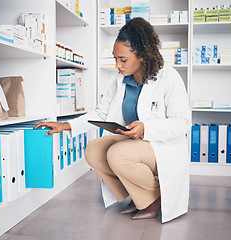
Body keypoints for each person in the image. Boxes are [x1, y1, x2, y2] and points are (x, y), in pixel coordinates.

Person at [34, 17, 191, 223]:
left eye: (123, 59)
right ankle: (141, 196)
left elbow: (183, 122)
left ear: (142, 55)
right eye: (115, 58)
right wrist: (66, 125)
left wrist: (146, 127)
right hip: (135, 143)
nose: (117, 65)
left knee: (117, 154)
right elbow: (100, 112)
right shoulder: (121, 80)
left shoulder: (168, 77)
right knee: (93, 150)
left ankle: (156, 197)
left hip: (161, 145)